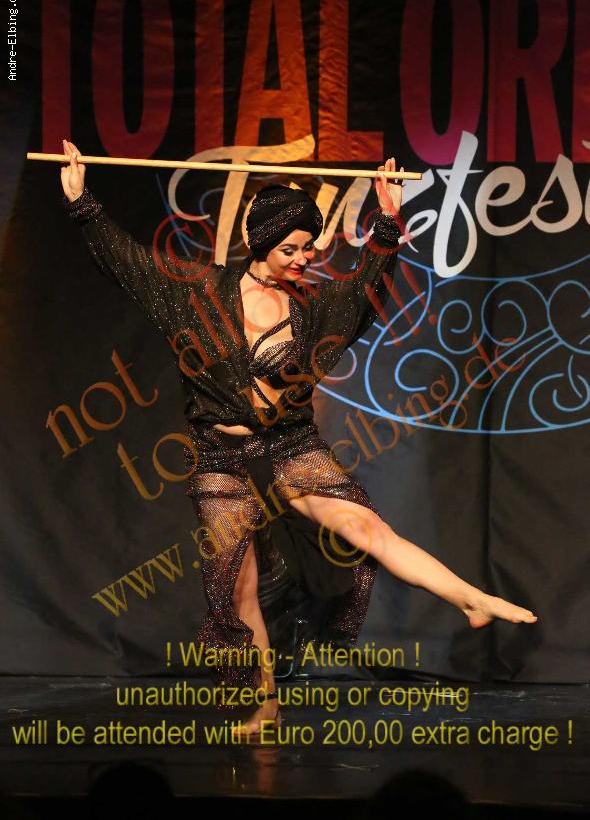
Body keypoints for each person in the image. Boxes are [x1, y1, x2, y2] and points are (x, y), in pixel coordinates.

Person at [60, 139, 537, 740]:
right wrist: (83, 205)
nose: (303, 258)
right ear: (262, 244)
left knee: (367, 530)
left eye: (309, 247)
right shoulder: (198, 294)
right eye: (291, 248)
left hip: (290, 446)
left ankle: (471, 599)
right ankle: (264, 707)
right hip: (219, 456)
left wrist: (387, 223)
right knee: (239, 587)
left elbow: (367, 284)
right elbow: (131, 265)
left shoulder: (314, 307)